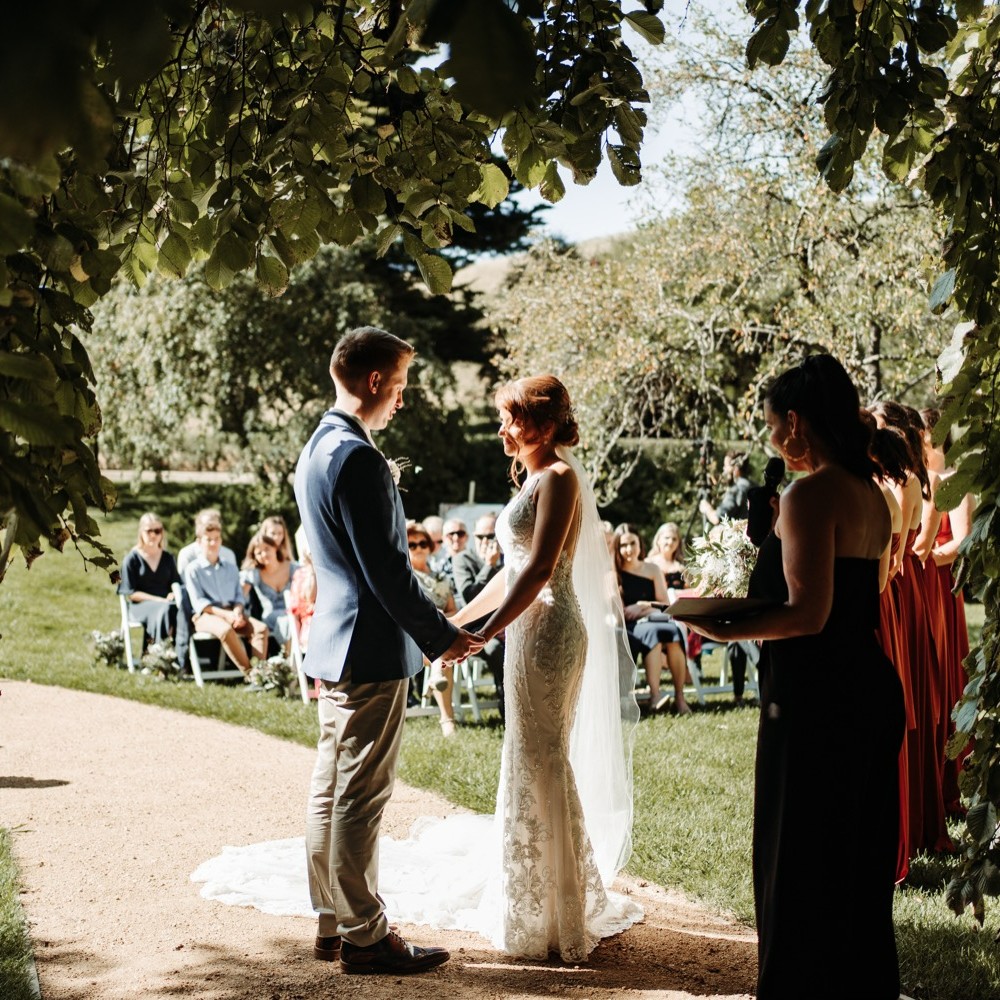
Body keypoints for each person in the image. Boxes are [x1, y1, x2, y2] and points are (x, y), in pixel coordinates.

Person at [188, 373, 641, 964]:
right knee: (526, 753)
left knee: (542, 753)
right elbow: (510, 574)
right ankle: (533, 896)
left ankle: (558, 904)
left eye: (512, 418)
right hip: (524, 628)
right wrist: (453, 625)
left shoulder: (558, 478)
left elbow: (536, 574)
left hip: (550, 632)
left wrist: (480, 630)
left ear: (546, 424)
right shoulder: (532, 478)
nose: (502, 428)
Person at [677, 355, 905, 1000]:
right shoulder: (869, 493)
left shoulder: (811, 493)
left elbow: (809, 614)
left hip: (816, 698)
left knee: (799, 858)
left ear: (797, 423)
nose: (772, 436)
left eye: (773, 422)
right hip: (868, 685)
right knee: (855, 863)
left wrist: (723, 627)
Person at [292, 325, 481, 975]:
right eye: (398, 387)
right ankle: (366, 936)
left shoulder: (315, 448)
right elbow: (387, 573)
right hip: (369, 649)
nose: (401, 400)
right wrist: (441, 636)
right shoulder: (361, 458)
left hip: (332, 645)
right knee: (360, 796)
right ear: (374, 382)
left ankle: (330, 922)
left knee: (329, 788)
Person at [614, 524, 691, 715]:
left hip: (653, 618)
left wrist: (642, 606)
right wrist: (640, 610)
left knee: (672, 631)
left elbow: (664, 603)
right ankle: (655, 695)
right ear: (617, 548)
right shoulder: (614, 573)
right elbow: (620, 611)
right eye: (623, 545)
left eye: (633, 543)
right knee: (654, 633)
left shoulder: (652, 569)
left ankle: (679, 697)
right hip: (630, 625)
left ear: (640, 543)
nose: (629, 549)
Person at [184, 509, 270, 675]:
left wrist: (237, 611)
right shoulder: (193, 570)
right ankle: (251, 675)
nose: (213, 543)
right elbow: (200, 603)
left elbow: (239, 596)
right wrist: (226, 616)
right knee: (225, 630)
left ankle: (260, 673)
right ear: (199, 542)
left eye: (217, 539)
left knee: (260, 629)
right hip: (206, 616)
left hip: (232, 612)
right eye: (208, 540)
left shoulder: (230, 568)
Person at [405, 520, 460, 736]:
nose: (418, 548)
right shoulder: (404, 578)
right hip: (412, 639)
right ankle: (447, 720)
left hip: (439, 637)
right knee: (445, 648)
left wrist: (440, 618)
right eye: (412, 545)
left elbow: (454, 612)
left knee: (444, 645)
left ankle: (437, 672)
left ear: (429, 546)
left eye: (422, 543)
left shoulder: (441, 577)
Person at [451, 512, 506, 721]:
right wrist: (488, 566)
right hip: (474, 632)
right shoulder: (463, 559)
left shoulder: (506, 560)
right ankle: (506, 715)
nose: (485, 542)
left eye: (490, 536)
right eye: (480, 537)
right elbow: (469, 595)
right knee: (498, 652)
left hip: (506, 627)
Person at [118, 512, 181, 649]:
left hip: (166, 605)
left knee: (175, 609)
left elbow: (176, 584)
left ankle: (174, 657)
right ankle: (159, 655)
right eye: (149, 531)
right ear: (141, 532)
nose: (153, 535)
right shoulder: (132, 559)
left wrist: (173, 594)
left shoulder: (168, 558)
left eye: (157, 531)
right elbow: (131, 593)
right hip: (140, 607)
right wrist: (159, 600)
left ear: (162, 533)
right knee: (164, 609)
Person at [240, 529, 299, 650]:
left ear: (275, 548)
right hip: (271, 616)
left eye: (267, 549)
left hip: (295, 611)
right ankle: (292, 659)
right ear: (254, 557)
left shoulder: (293, 567)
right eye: (259, 553)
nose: (264, 554)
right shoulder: (255, 573)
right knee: (287, 621)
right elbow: (241, 595)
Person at [698, 449, 755, 526]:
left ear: (736, 468)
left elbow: (716, 519)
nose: (724, 469)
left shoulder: (736, 490)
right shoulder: (754, 486)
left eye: (726, 466)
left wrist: (707, 508)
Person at [646, 521, 687, 591]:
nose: (670, 542)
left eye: (674, 539)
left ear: (678, 543)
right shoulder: (648, 563)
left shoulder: (681, 567)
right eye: (667, 538)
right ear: (658, 540)